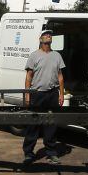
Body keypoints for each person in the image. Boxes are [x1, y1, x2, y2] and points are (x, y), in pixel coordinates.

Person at [22, 29, 65, 166]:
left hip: (52, 94)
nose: (48, 36)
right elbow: (29, 76)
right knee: (33, 124)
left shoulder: (57, 56)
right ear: (40, 39)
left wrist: (61, 94)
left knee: (51, 124)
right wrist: (27, 94)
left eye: (50, 35)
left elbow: (60, 77)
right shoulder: (34, 56)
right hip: (37, 94)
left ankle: (51, 153)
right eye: (45, 35)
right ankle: (28, 153)